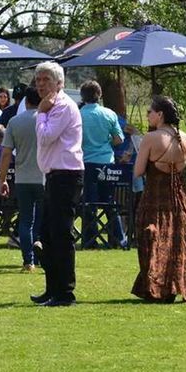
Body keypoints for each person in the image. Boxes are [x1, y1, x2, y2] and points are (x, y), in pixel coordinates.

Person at [131, 96, 186, 303]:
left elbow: (138, 171)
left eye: (150, 112)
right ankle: (177, 285)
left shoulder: (151, 138)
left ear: (160, 115)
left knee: (153, 239)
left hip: (155, 200)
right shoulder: (184, 138)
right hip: (180, 201)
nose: (147, 115)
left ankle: (157, 287)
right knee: (178, 242)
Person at [31, 61, 83, 307]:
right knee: (47, 236)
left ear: (59, 83)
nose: (41, 85)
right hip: (53, 175)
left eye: (46, 80)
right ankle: (52, 288)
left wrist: (41, 113)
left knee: (61, 234)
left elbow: (45, 136)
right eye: (38, 80)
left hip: (66, 175)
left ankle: (65, 293)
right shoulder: (50, 106)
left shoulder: (61, 106)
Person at [0, 86, 44, 271]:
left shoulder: (14, 121)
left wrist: (2, 179)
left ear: (26, 101)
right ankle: (42, 253)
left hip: (22, 177)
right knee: (43, 218)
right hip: (44, 176)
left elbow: (6, 154)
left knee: (26, 220)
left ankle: (28, 260)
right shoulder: (46, 120)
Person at [79, 80, 126, 249]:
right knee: (109, 202)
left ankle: (90, 239)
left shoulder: (78, 115)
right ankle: (118, 238)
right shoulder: (109, 114)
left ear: (82, 96)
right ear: (99, 95)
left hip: (85, 163)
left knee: (88, 202)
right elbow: (119, 139)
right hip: (106, 163)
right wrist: (106, 143)